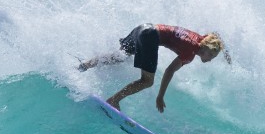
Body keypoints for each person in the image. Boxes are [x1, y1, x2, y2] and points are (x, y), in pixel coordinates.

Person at [78, 24, 229, 112]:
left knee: (121, 56)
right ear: (207, 50)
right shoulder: (190, 53)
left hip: (144, 27)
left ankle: (85, 65)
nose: (210, 60)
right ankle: (114, 100)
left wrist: (226, 53)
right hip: (150, 37)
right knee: (147, 81)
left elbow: (216, 34)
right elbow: (170, 70)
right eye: (212, 56)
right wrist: (160, 96)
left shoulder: (202, 38)